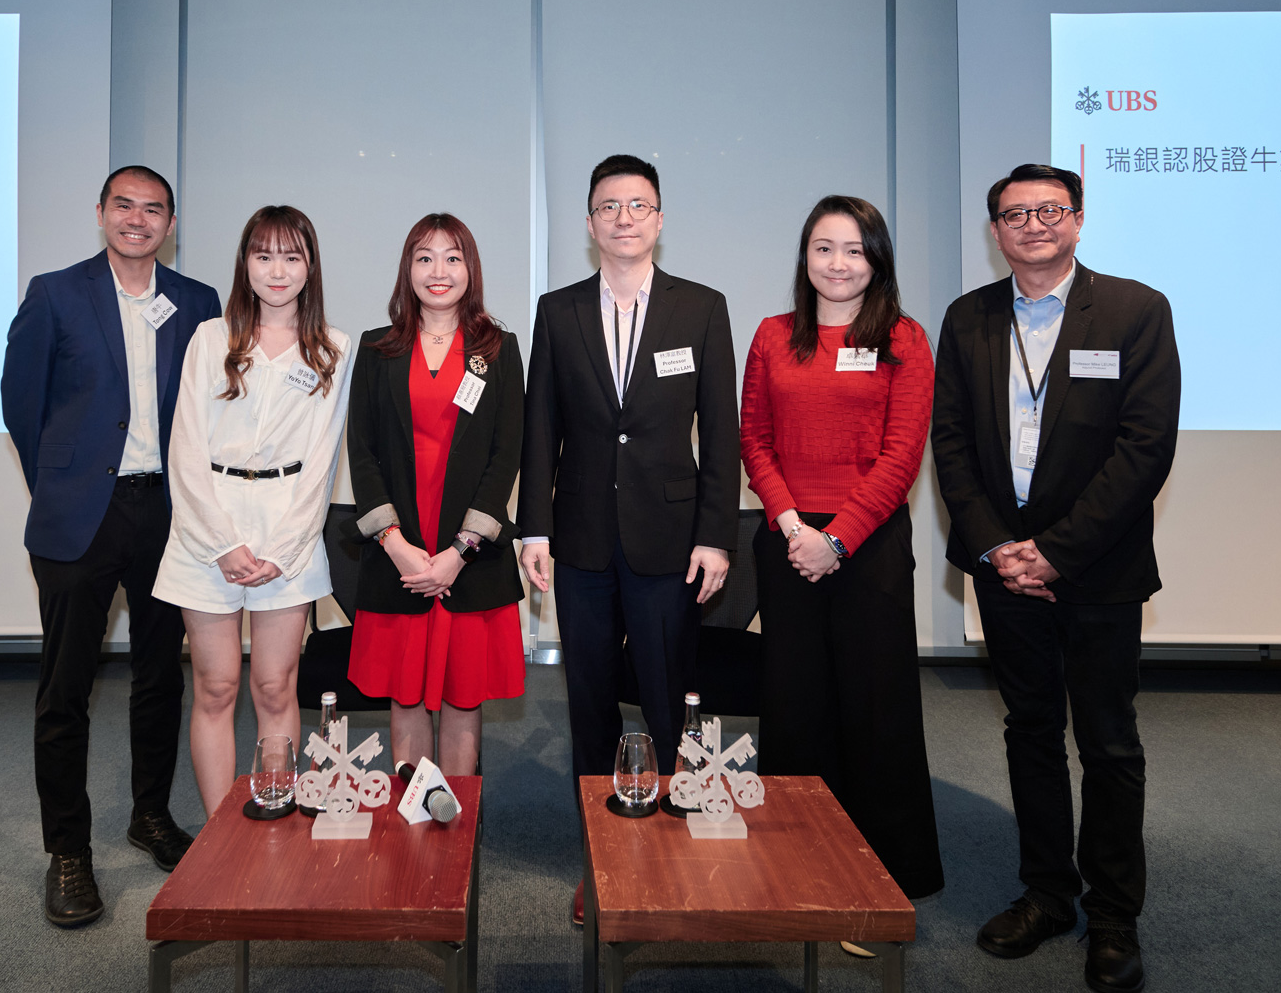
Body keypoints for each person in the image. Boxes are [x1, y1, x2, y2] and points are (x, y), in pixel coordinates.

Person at [932, 164, 1180, 993]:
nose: (1032, 225)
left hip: (1098, 570)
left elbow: (1145, 448)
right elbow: (953, 446)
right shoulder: (968, 318)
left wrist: (1058, 551)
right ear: (994, 230)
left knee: (1108, 743)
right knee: (1030, 731)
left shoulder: (1136, 310)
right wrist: (1000, 549)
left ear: (1077, 218)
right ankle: (1047, 894)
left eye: (1048, 210)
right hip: (1004, 569)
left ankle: (1114, 916)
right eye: (1015, 214)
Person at [518, 154, 739, 925]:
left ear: (659, 218)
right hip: (577, 538)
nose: (622, 217)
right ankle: (600, 855)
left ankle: (670, 844)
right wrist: (533, 526)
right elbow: (540, 423)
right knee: (588, 703)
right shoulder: (559, 310)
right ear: (588, 222)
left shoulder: (701, 308)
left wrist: (716, 535)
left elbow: (722, 428)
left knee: (664, 696)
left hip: (669, 538)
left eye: (637, 204)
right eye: (607, 205)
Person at [1, 165, 220, 928]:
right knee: (66, 690)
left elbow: (207, 410)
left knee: (161, 677)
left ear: (170, 222)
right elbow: (22, 405)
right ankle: (67, 852)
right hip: (78, 517)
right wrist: (61, 485)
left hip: (167, 512)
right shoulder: (55, 293)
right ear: (100, 213)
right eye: (123, 205)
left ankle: (150, 815)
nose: (137, 219)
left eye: (153, 208)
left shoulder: (197, 302)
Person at [739, 195, 945, 905]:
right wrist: (794, 526)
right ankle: (796, 869)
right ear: (805, 258)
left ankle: (883, 877)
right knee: (795, 705)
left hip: (869, 543)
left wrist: (837, 538)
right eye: (823, 248)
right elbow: (754, 441)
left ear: (877, 259)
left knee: (874, 706)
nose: (838, 263)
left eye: (854, 249)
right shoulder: (771, 336)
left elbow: (902, 455)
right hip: (788, 539)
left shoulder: (906, 340)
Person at [153, 205, 352, 816]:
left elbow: (321, 463)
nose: (277, 270)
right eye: (264, 255)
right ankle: (219, 835)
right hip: (204, 528)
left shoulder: (333, 350)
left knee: (274, 685)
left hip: (286, 534)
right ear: (245, 262)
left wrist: (280, 550)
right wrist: (223, 544)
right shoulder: (212, 337)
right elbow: (184, 447)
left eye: (292, 256)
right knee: (215, 687)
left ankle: (272, 811)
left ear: (311, 266)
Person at [345, 213, 525, 777]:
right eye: (425, 257)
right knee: (404, 695)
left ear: (470, 268)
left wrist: (457, 552)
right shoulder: (378, 350)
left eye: (453, 257)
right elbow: (363, 452)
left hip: (466, 554)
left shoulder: (499, 348)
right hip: (400, 553)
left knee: (461, 697)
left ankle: (456, 833)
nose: (439, 270)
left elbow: (505, 456)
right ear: (408, 269)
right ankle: (412, 828)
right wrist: (398, 546)